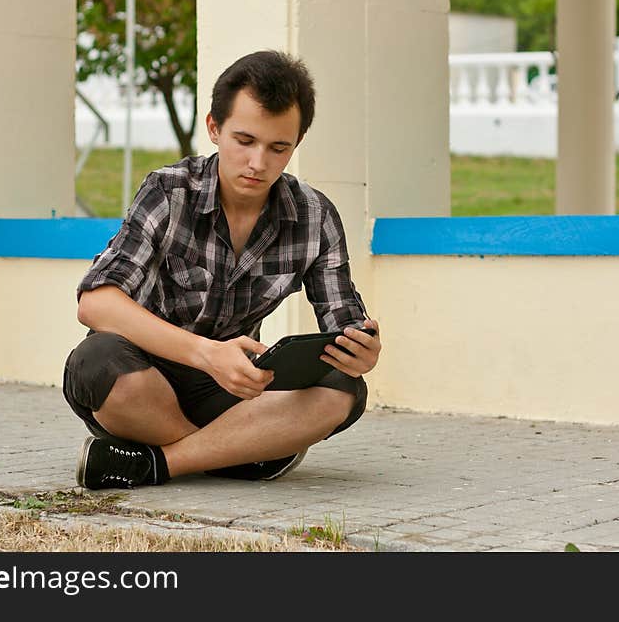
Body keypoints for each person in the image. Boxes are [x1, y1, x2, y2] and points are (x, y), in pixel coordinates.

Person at [62, 50, 382, 489]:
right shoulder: (169, 191)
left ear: (296, 144)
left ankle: (158, 463)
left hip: (235, 392)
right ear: (214, 128)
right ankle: (246, 452)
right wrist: (207, 353)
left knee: (342, 388)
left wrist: (360, 349)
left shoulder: (315, 216)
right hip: (145, 381)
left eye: (278, 148)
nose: (258, 163)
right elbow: (96, 302)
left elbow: (343, 325)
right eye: (244, 141)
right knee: (95, 360)